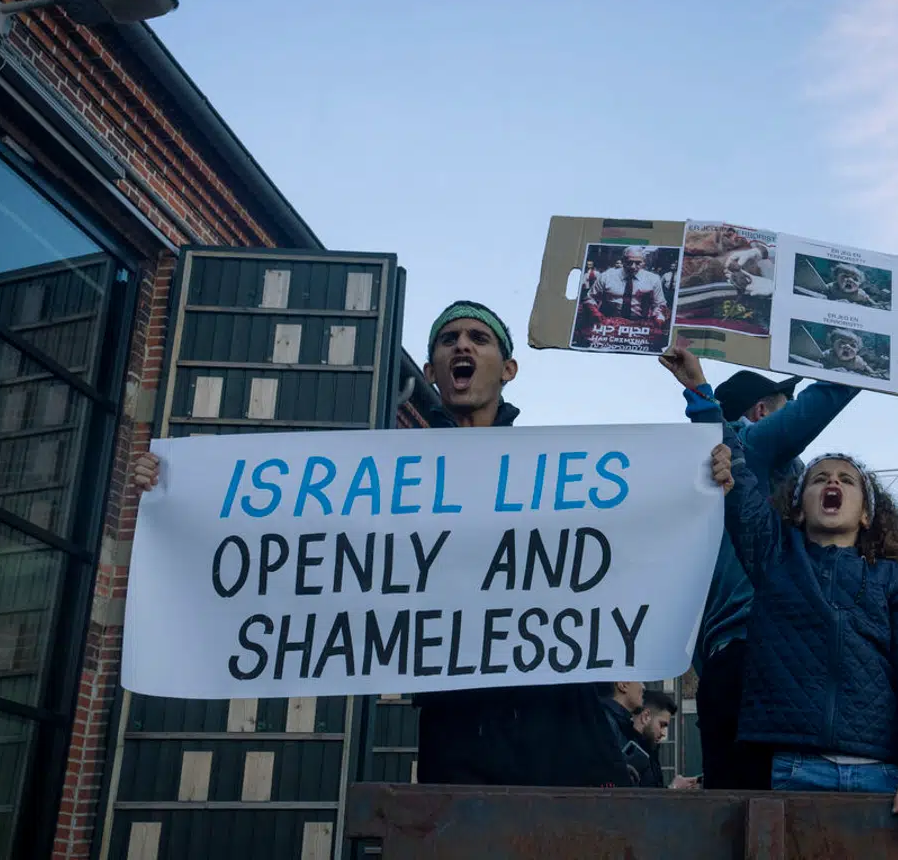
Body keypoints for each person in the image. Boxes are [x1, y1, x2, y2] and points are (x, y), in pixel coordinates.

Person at [131, 301, 630, 788]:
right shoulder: (393, 473)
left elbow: (630, 536)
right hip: (457, 723)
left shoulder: (554, 471)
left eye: (478, 338)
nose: (462, 346)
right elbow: (291, 527)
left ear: (509, 369)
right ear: (433, 370)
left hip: (558, 715)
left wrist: (705, 469)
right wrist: (180, 489)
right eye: (447, 339)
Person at [708, 428, 898, 845]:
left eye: (846, 479)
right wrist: (701, 397)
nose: (832, 483)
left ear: (867, 514)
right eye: (819, 479)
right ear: (798, 509)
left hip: (884, 774)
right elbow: (741, 483)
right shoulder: (774, 560)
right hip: (793, 770)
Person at [659, 350, 859, 791]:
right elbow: (826, 398)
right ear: (762, 412)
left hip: (725, 662)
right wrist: (867, 353)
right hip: (766, 656)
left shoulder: (703, 487)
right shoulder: (757, 449)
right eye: (786, 407)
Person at [599, 681, 662, 788]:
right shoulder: (606, 721)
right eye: (640, 680)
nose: (644, 687)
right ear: (623, 685)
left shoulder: (622, 723)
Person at [585, 246, 668, 323]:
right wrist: (595, 313)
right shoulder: (607, 276)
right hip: (608, 321)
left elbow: (659, 304)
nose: (633, 267)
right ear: (623, 260)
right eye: (629, 262)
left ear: (644, 262)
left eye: (638, 263)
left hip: (640, 323)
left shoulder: (653, 279)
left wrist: (658, 317)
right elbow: (590, 298)